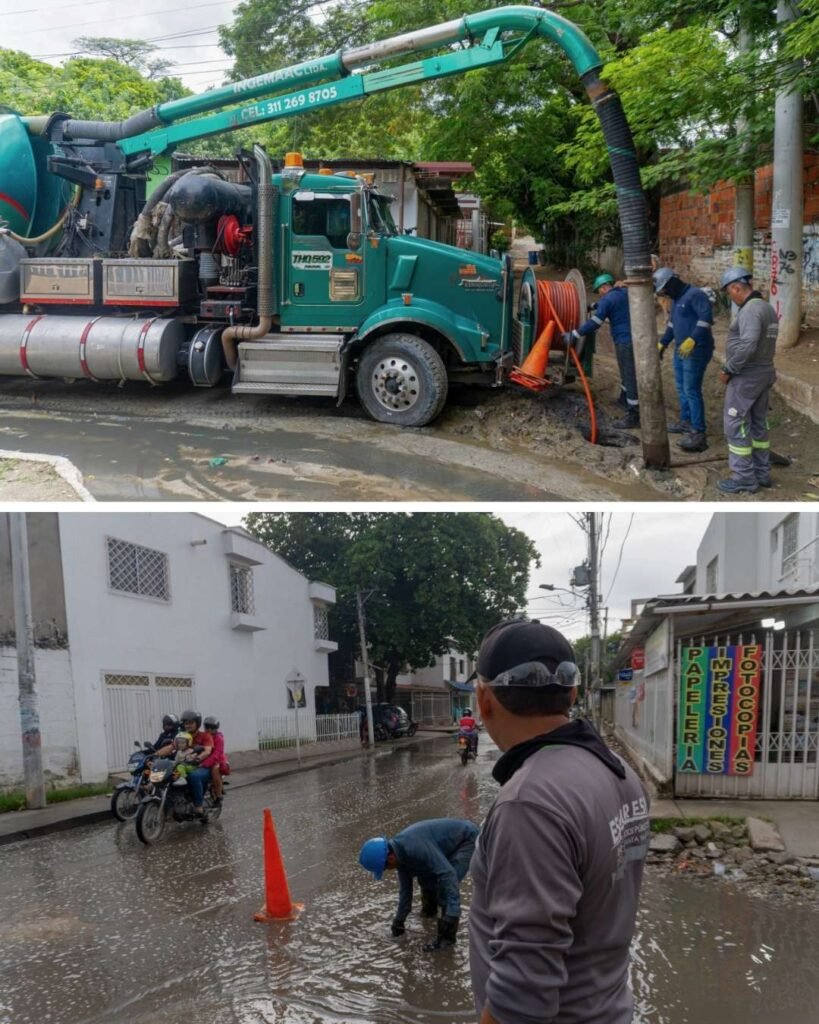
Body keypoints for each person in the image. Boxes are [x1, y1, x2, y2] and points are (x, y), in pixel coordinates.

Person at [468, 619, 650, 1024]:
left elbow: (523, 996)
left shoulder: (529, 803)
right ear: (572, 692)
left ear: (484, 700)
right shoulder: (618, 771)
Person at [358, 817, 480, 951]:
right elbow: (405, 891)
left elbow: (447, 874)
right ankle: (430, 911)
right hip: (444, 845)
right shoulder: (399, 856)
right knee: (426, 879)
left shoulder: (415, 846)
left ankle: (447, 939)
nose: (388, 870)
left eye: (385, 868)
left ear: (390, 858)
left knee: (444, 888)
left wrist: (452, 913)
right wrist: (399, 920)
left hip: (467, 839)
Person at [716, 266, 778, 494]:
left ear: (736, 287)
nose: (729, 297)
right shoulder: (766, 308)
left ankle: (743, 478)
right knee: (758, 423)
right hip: (763, 373)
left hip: (747, 376)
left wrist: (728, 368)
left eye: (728, 292)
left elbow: (749, 344)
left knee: (736, 424)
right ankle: (762, 473)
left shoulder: (751, 310)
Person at [566, 272, 639, 429]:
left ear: (604, 287)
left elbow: (595, 322)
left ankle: (634, 414)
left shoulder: (608, 299)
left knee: (629, 373)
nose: (599, 294)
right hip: (636, 338)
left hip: (624, 340)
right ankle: (624, 398)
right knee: (627, 370)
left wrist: (575, 334)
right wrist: (592, 306)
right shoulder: (623, 293)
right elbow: (609, 306)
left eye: (599, 290)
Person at [654, 267, 715, 452]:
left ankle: (698, 432)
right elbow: (673, 324)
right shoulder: (676, 300)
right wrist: (663, 343)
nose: (664, 293)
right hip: (681, 350)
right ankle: (686, 421)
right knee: (681, 387)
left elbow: (706, 318)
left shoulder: (695, 295)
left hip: (696, 350)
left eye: (665, 289)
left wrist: (693, 339)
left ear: (672, 282)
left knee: (691, 389)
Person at [178, 710, 214, 816]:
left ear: (197, 723)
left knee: (194, 776)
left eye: (191, 723)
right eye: (186, 723)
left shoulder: (205, 736)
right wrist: (156, 754)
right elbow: (171, 746)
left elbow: (207, 751)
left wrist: (197, 758)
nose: (188, 725)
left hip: (202, 766)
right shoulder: (182, 736)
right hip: (185, 764)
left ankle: (198, 806)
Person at [198, 716, 230, 803]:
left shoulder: (219, 739)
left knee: (215, 769)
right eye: (207, 727)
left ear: (216, 728)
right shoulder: (203, 736)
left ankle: (219, 796)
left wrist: (204, 764)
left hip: (218, 760)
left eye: (212, 728)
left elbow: (216, 755)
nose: (209, 730)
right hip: (205, 758)